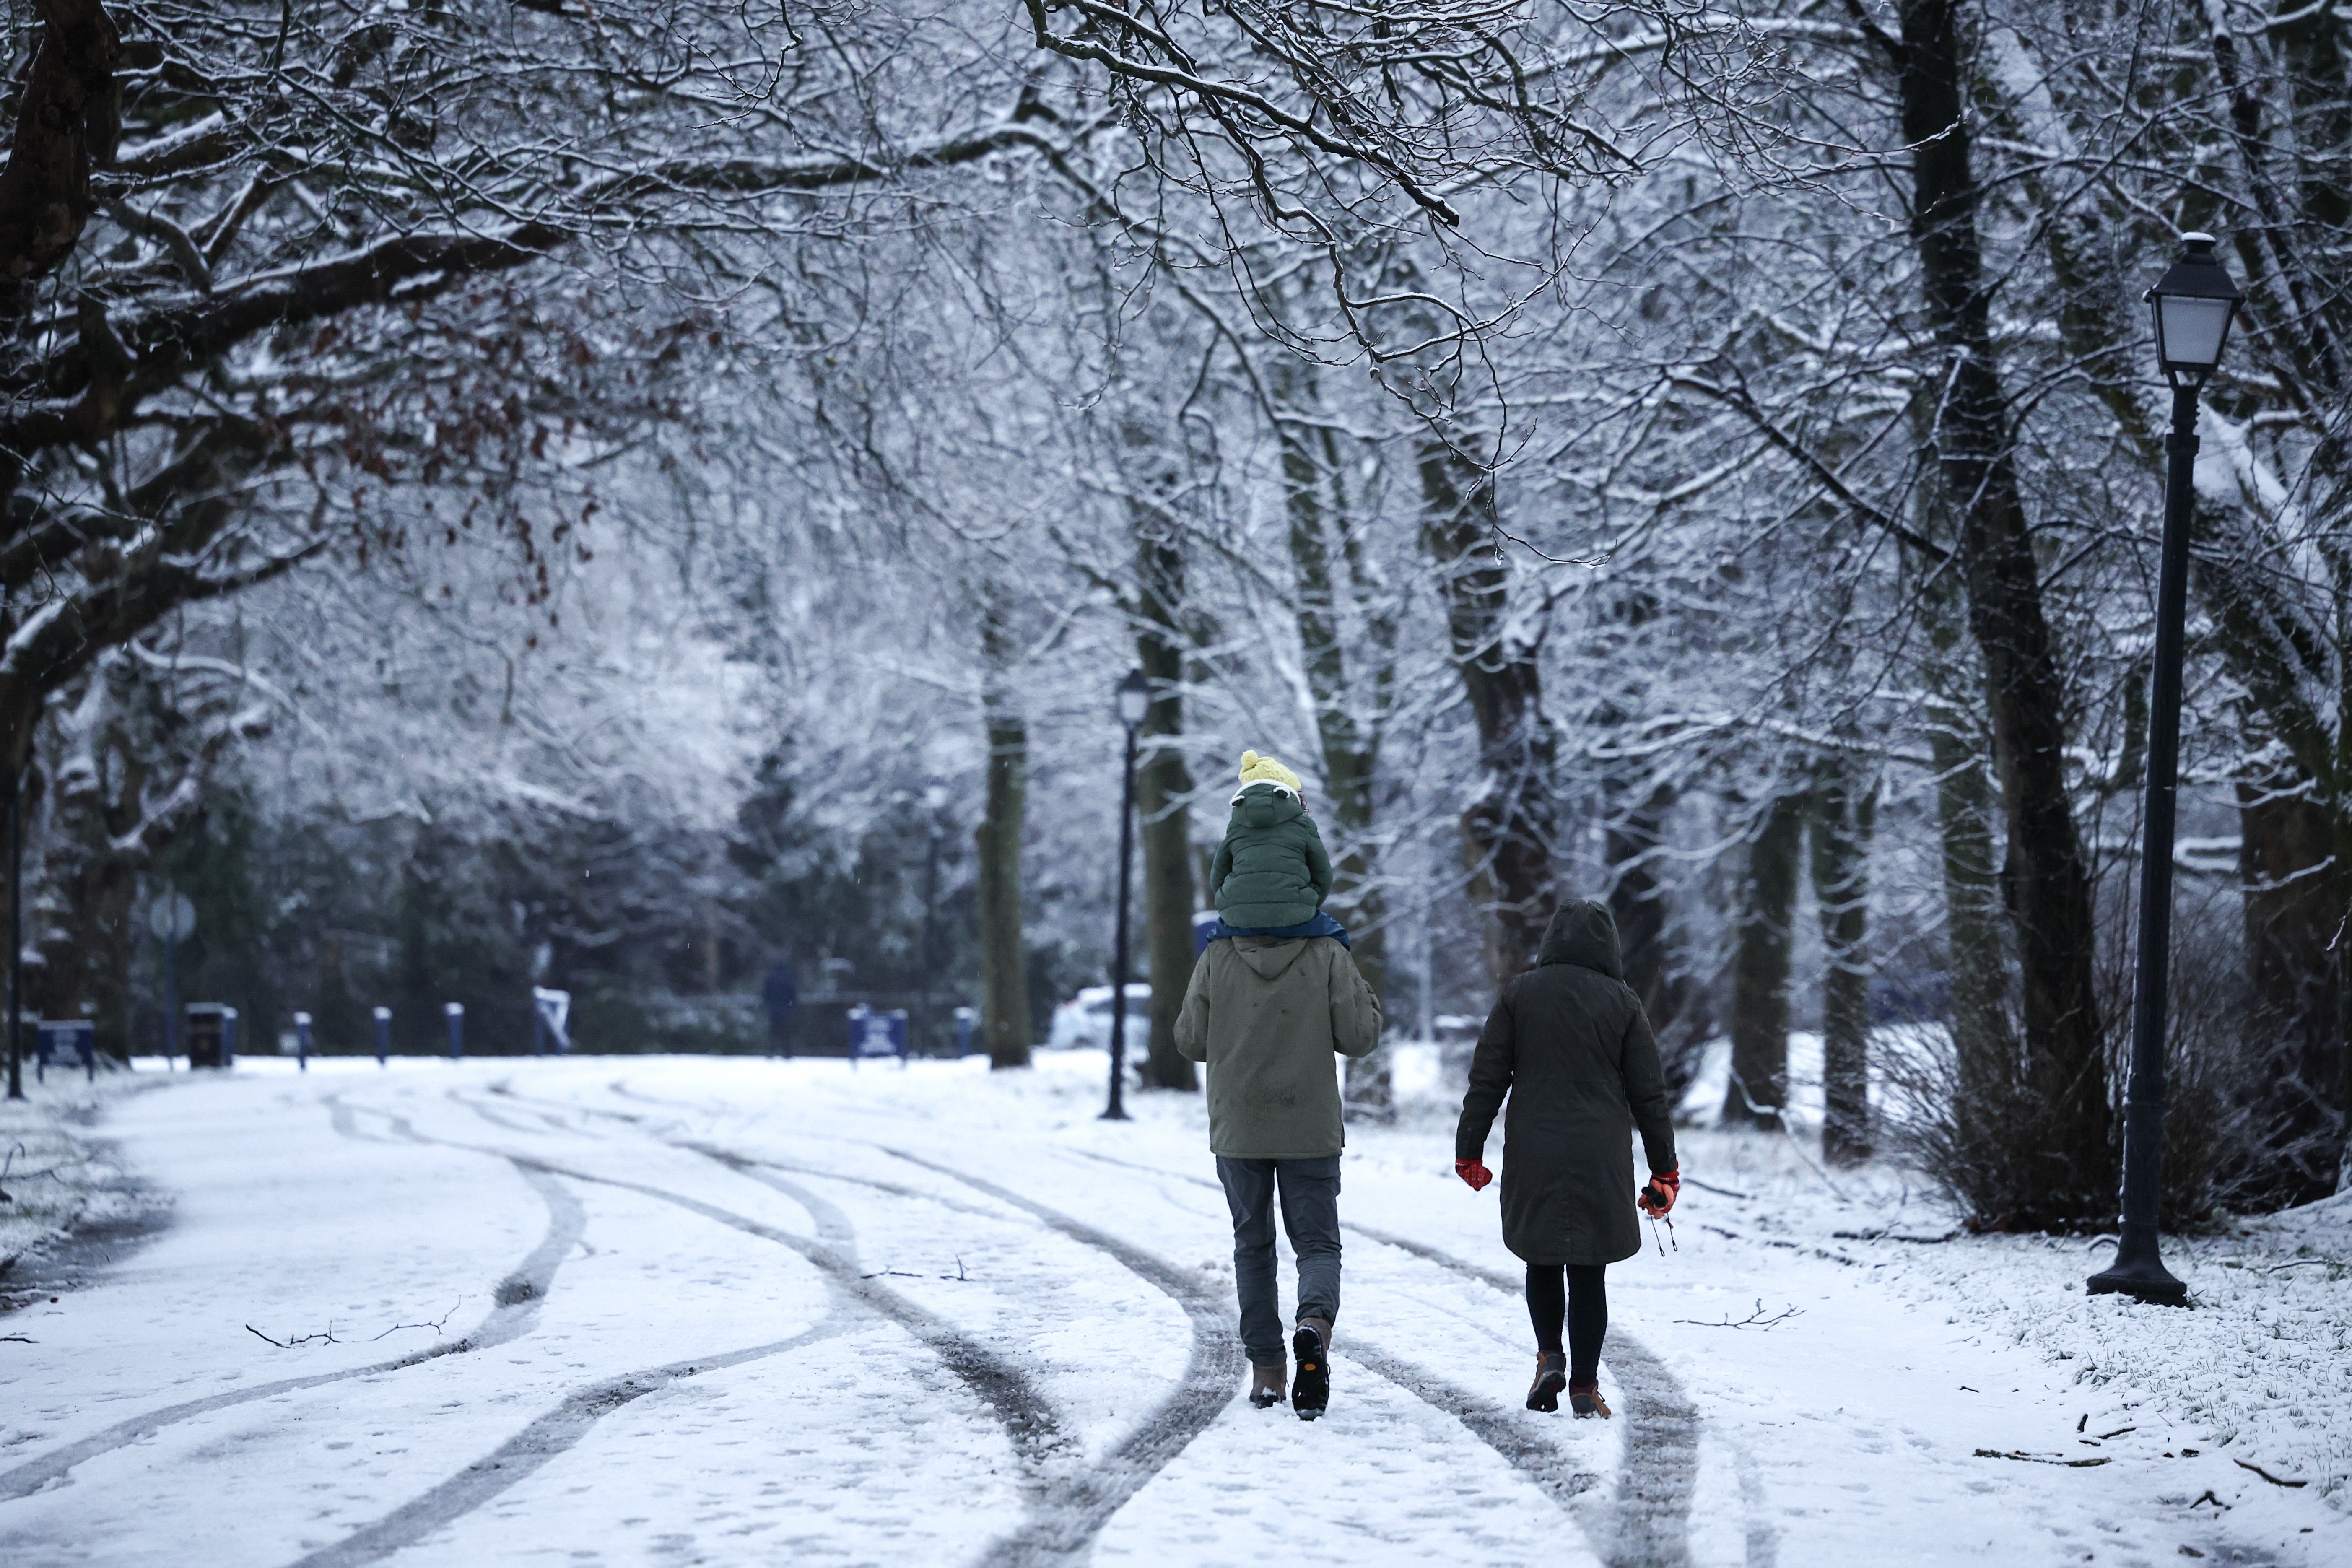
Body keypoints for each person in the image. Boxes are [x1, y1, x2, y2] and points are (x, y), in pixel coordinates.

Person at [1454, 900, 1679, 1419]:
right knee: (1589, 1271)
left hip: (1535, 1143)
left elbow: (1487, 1078)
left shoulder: (1519, 994)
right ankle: (1583, 1384)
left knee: (1541, 1255)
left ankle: (1549, 1355)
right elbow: (1650, 1094)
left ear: (1552, 940)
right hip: (1599, 1148)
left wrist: (1470, 1147)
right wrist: (1664, 1169)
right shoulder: (1623, 1002)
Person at [1175, 914, 1382, 1420]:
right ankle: (1314, 1326)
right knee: (1316, 1242)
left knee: (1253, 1245)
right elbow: (1360, 1035)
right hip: (1307, 1124)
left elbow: (1190, 1040)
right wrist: (1363, 992)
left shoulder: (1217, 955)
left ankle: (1267, 1374)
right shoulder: (1327, 952)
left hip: (1239, 1125)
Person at [1205, 750, 1349, 948]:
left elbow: (1217, 876)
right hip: (1295, 916)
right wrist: (1307, 899)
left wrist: (1230, 899)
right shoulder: (1303, 825)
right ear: (1289, 791)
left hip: (1239, 918)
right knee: (1339, 937)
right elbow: (1323, 873)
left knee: (1214, 943)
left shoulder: (1236, 826)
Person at [762, 960, 799, 1057]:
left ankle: (772, 1051)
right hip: (785, 1010)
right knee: (785, 1032)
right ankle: (787, 1053)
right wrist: (791, 1006)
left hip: (773, 1010)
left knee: (773, 1032)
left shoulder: (771, 979)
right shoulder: (788, 979)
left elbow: (765, 995)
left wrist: (769, 1005)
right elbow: (793, 995)